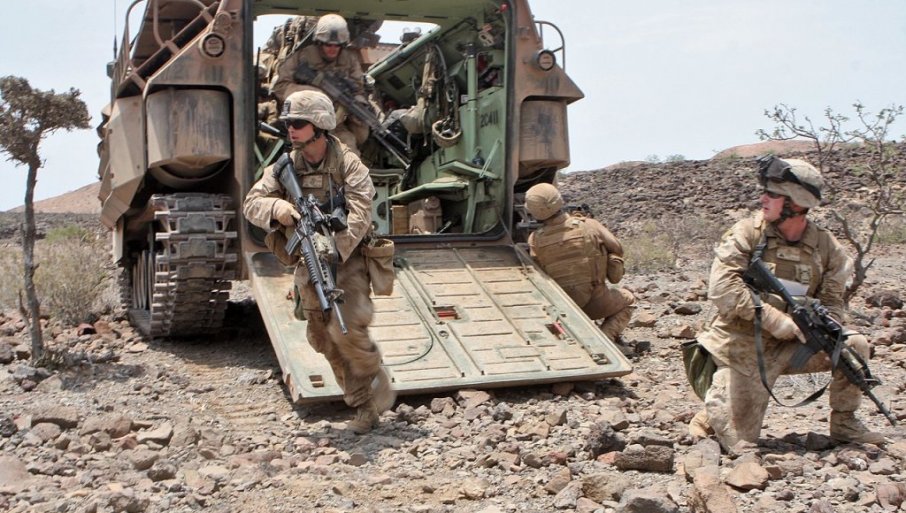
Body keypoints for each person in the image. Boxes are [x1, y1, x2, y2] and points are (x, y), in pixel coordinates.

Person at [688, 156, 886, 451]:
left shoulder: (826, 246)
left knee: (853, 346)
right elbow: (723, 288)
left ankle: (845, 423)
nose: (763, 199)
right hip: (742, 346)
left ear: (796, 203)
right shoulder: (748, 233)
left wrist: (824, 325)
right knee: (741, 444)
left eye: (773, 194)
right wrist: (772, 318)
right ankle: (711, 413)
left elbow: (833, 301)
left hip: (794, 345)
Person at [243, 90, 394, 434]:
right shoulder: (284, 165)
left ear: (319, 125)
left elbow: (361, 212)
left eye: (298, 123)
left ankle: (366, 396)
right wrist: (277, 208)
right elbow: (251, 203)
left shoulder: (348, 163)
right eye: (288, 123)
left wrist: (334, 248)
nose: (291, 129)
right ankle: (364, 391)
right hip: (307, 258)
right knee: (321, 337)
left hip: (348, 258)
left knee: (347, 327)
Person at [523, 183, 636, 341]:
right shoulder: (588, 225)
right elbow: (617, 248)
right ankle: (606, 338)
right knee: (629, 300)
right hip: (596, 303)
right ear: (559, 201)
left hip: (563, 310)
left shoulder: (534, 239)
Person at [271, 13, 370, 154]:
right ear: (319, 42)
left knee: (349, 147)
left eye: (337, 45)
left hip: (334, 123)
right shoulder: (302, 56)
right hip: (301, 121)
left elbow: (358, 89)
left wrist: (357, 106)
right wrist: (314, 94)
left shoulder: (350, 60)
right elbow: (279, 86)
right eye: (328, 44)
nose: (332, 49)